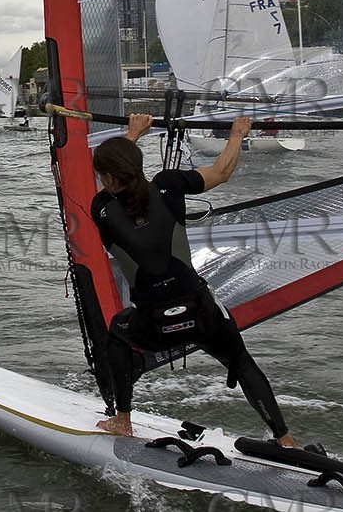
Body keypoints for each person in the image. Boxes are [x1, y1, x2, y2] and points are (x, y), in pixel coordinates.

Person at [90, 114, 296, 446]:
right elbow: (222, 172)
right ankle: (285, 440)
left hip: (151, 326)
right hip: (201, 315)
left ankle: (122, 419)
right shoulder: (170, 184)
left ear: (108, 177)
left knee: (118, 331)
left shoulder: (101, 208)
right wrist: (237, 134)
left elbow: (116, 175)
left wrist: (132, 133)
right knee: (242, 363)